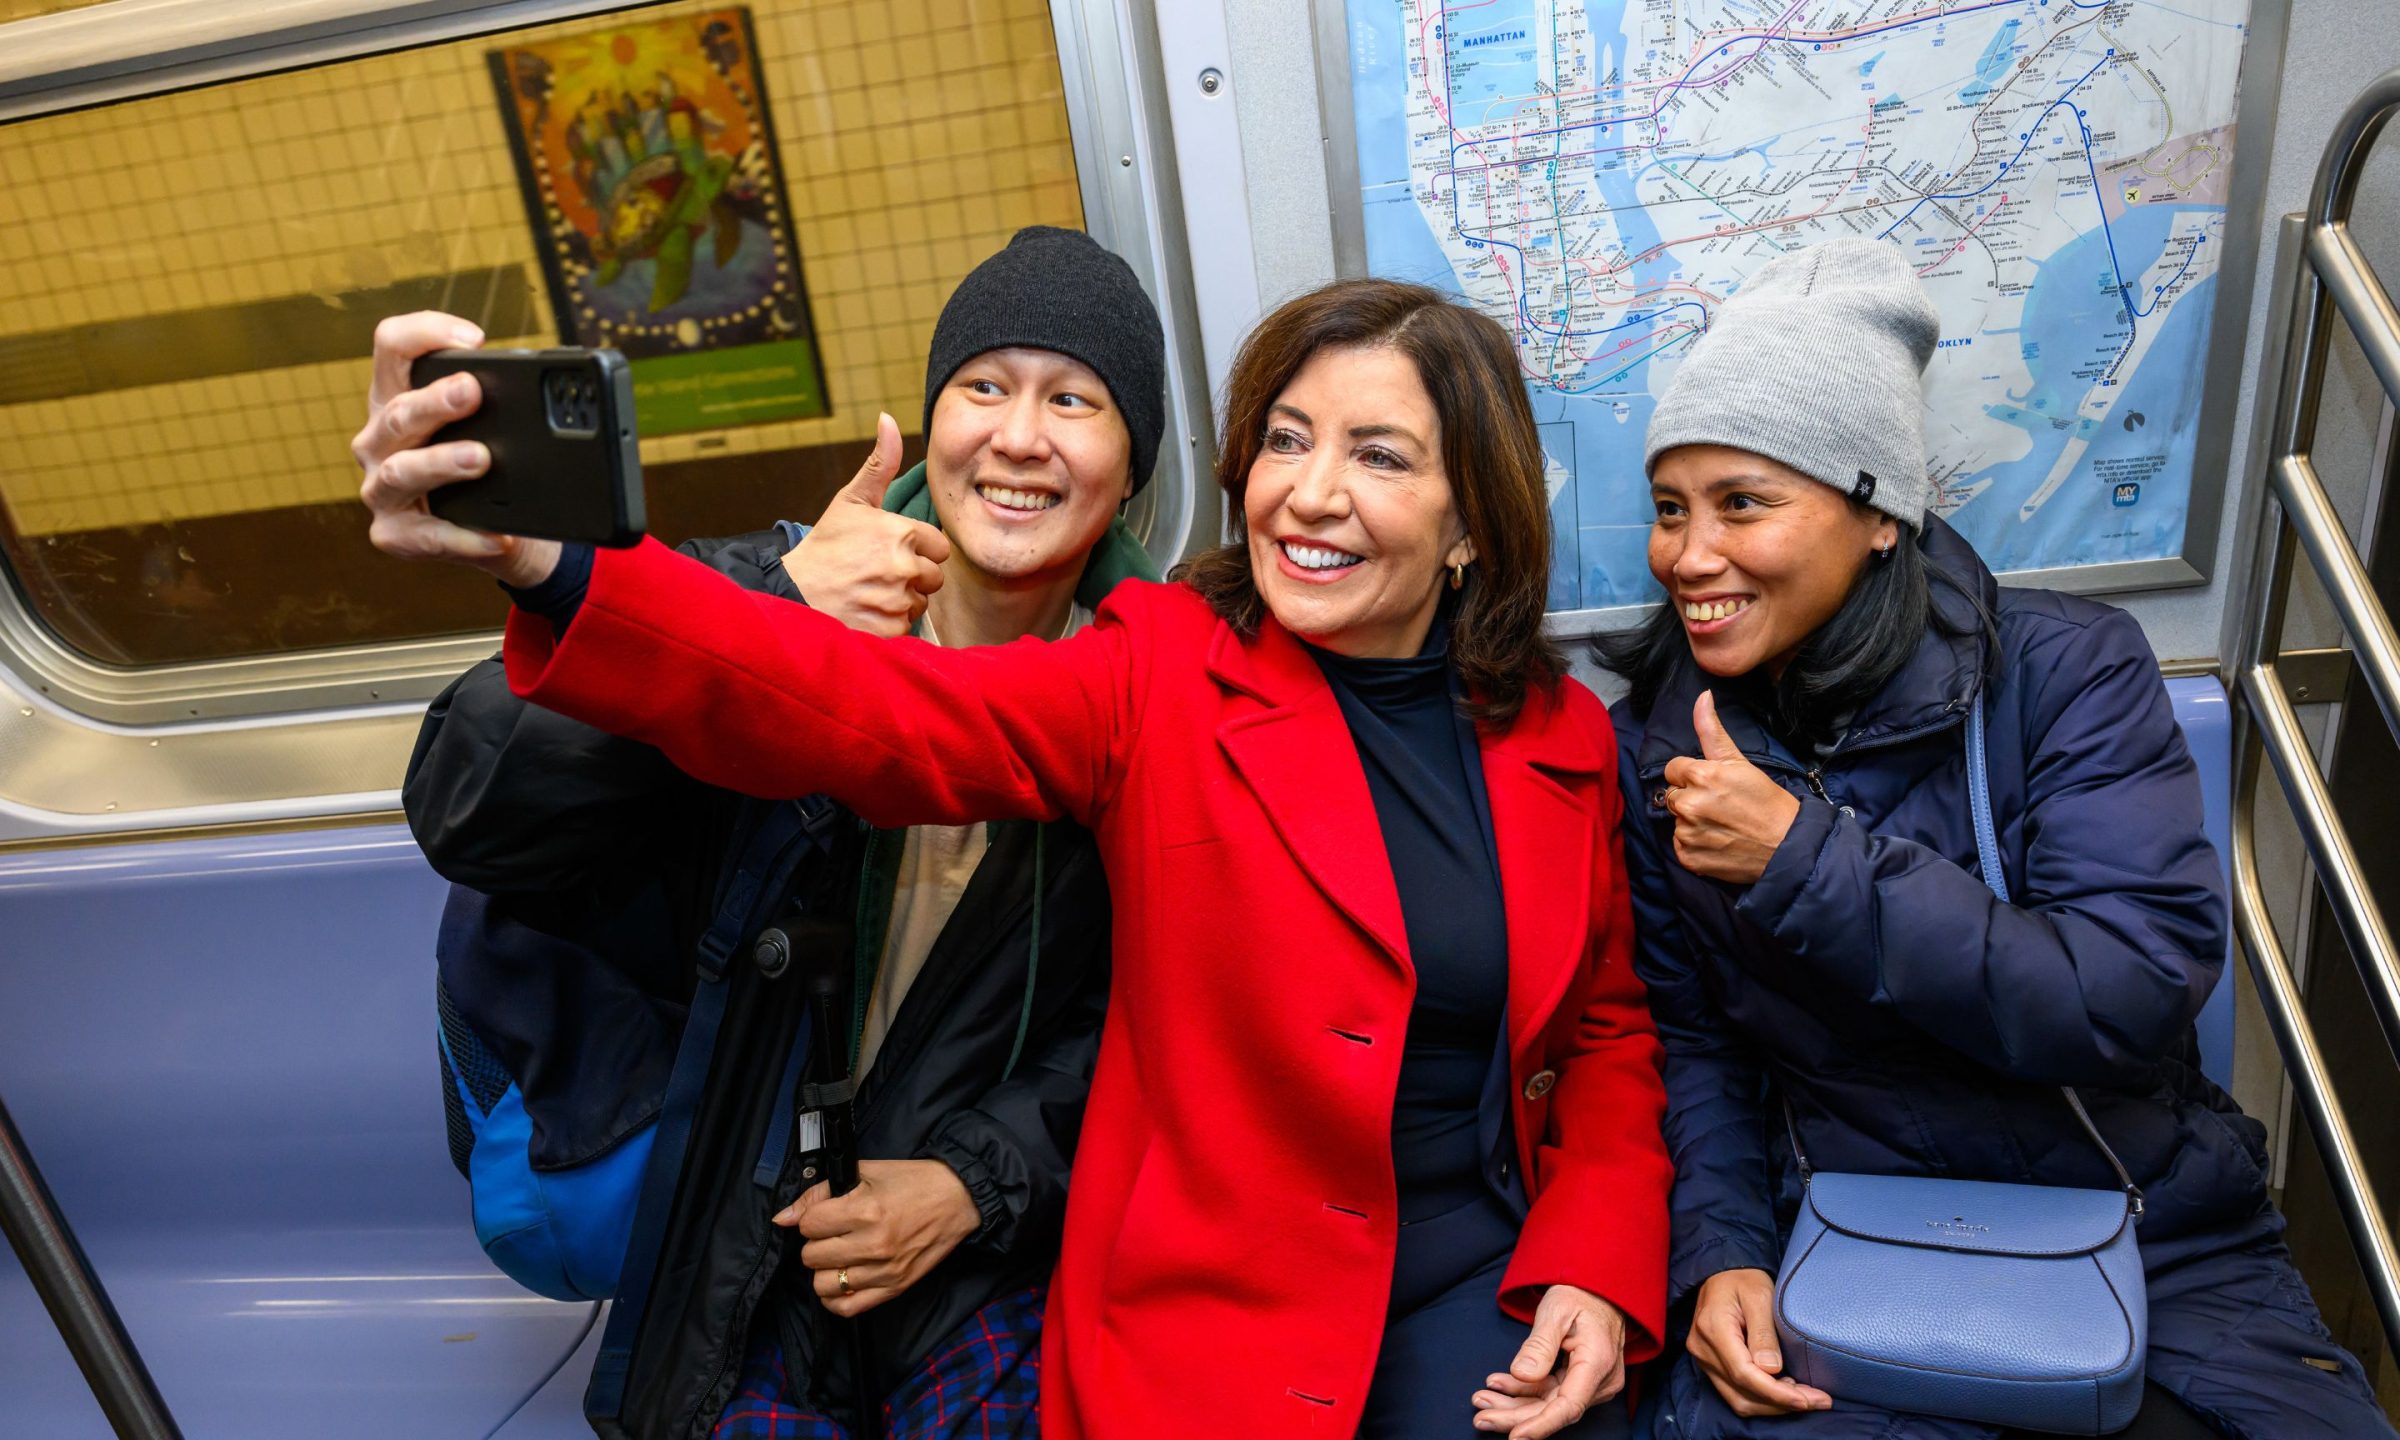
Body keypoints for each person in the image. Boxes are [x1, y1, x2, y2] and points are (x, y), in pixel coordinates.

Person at [362, 275, 1672, 1438]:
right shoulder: (1160, 669)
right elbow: (873, 714)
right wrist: (550, 560)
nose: (1308, 492)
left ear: (1471, 526)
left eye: (1379, 456)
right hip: (1223, 1317)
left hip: (1476, 1285)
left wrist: (1598, 1261)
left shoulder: (1556, 738)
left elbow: (1604, 1033)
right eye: (1284, 439)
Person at [370, 227, 1173, 1438]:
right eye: (983, 388)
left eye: (1075, 400)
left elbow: (1154, 1017)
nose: (1019, 436)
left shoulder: (1149, 691)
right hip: (737, 1249)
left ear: (1131, 465)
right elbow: (477, 808)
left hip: (978, 1255)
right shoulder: (775, 594)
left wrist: (976, 1179)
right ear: (932, 418)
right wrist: (779, 597)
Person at [1597, 239, 2398, 1440]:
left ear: (1878, 518)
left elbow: (2128, 991)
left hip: (2138, 1217)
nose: (1688, 557)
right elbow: (1695, 1044)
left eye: (1742, 505)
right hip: (1837, 1221)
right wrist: (1719, 1255)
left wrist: (1809, 862)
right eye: (1670, 511)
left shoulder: (2067, 673)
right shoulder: (1659, 740)